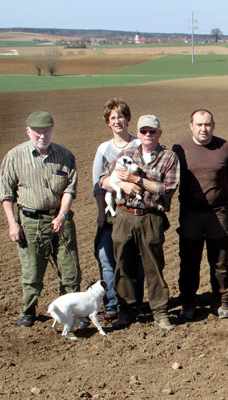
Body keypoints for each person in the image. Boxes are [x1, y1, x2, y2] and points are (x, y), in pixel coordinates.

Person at [0, 111, 83, 328]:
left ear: (52, 130)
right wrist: (12, 223)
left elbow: (69, 189)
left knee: (70, 270)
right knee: (32, 271)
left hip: (61, 220)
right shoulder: (14, 156)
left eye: (47, 131)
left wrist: (62, 215)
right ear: (28, 132)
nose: (42, 136)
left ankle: (72, 312)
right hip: (30, 221)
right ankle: (28, 311)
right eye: (37, 132)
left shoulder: (65, 156)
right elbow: (6, 194)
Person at [100, 114, 180, 332]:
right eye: (144, 131)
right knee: (123, 264)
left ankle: (160, 312)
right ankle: (126, 310)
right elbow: (103, 180)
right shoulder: (126, 154)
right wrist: (122, 186)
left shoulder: (168, 157)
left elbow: (167, 188)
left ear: (159, 133)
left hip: (151, 217)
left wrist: (136, 180)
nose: (148, 135)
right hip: (124, 215)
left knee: (153, 266)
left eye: (152, 131)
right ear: (138, 133)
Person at [172, 109, 228, 320]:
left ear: (213, 125)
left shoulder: (225, 147)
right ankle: (188, 302)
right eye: (199, 124)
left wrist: (215, 197)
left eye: (207, 124)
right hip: (190, 213)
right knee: (189, 260)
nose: (203, 129)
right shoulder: (179, 149)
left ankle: (222, 301)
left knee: (220, 260)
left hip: (218, 213)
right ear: (191, 125)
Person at [92, 98, 145, 321]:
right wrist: (100, 211)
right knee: (106, 258)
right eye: (113, 117)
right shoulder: (104, 149)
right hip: (111, 213)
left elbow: (144, 177)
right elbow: (97, 184)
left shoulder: (138, 145)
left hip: (133, 211)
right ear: (108, 122)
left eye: (121, 116)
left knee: (136, 259)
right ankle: (112, 303)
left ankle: (136, 303)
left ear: (128, 119)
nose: (117, 121)